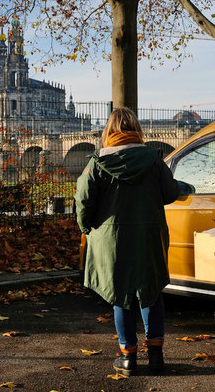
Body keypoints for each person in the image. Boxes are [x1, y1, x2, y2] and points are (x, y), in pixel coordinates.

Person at [74, 107, 179, 376]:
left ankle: (127, 357)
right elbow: (170, 194)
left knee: (120, 294)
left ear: (109, 131)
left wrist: (86, 227)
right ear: (137, 129)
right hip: (148, 234)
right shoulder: (154, 159)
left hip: (112, 237)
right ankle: (155, 356)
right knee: (151, 291)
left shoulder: (97, 161)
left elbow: (84, 200)